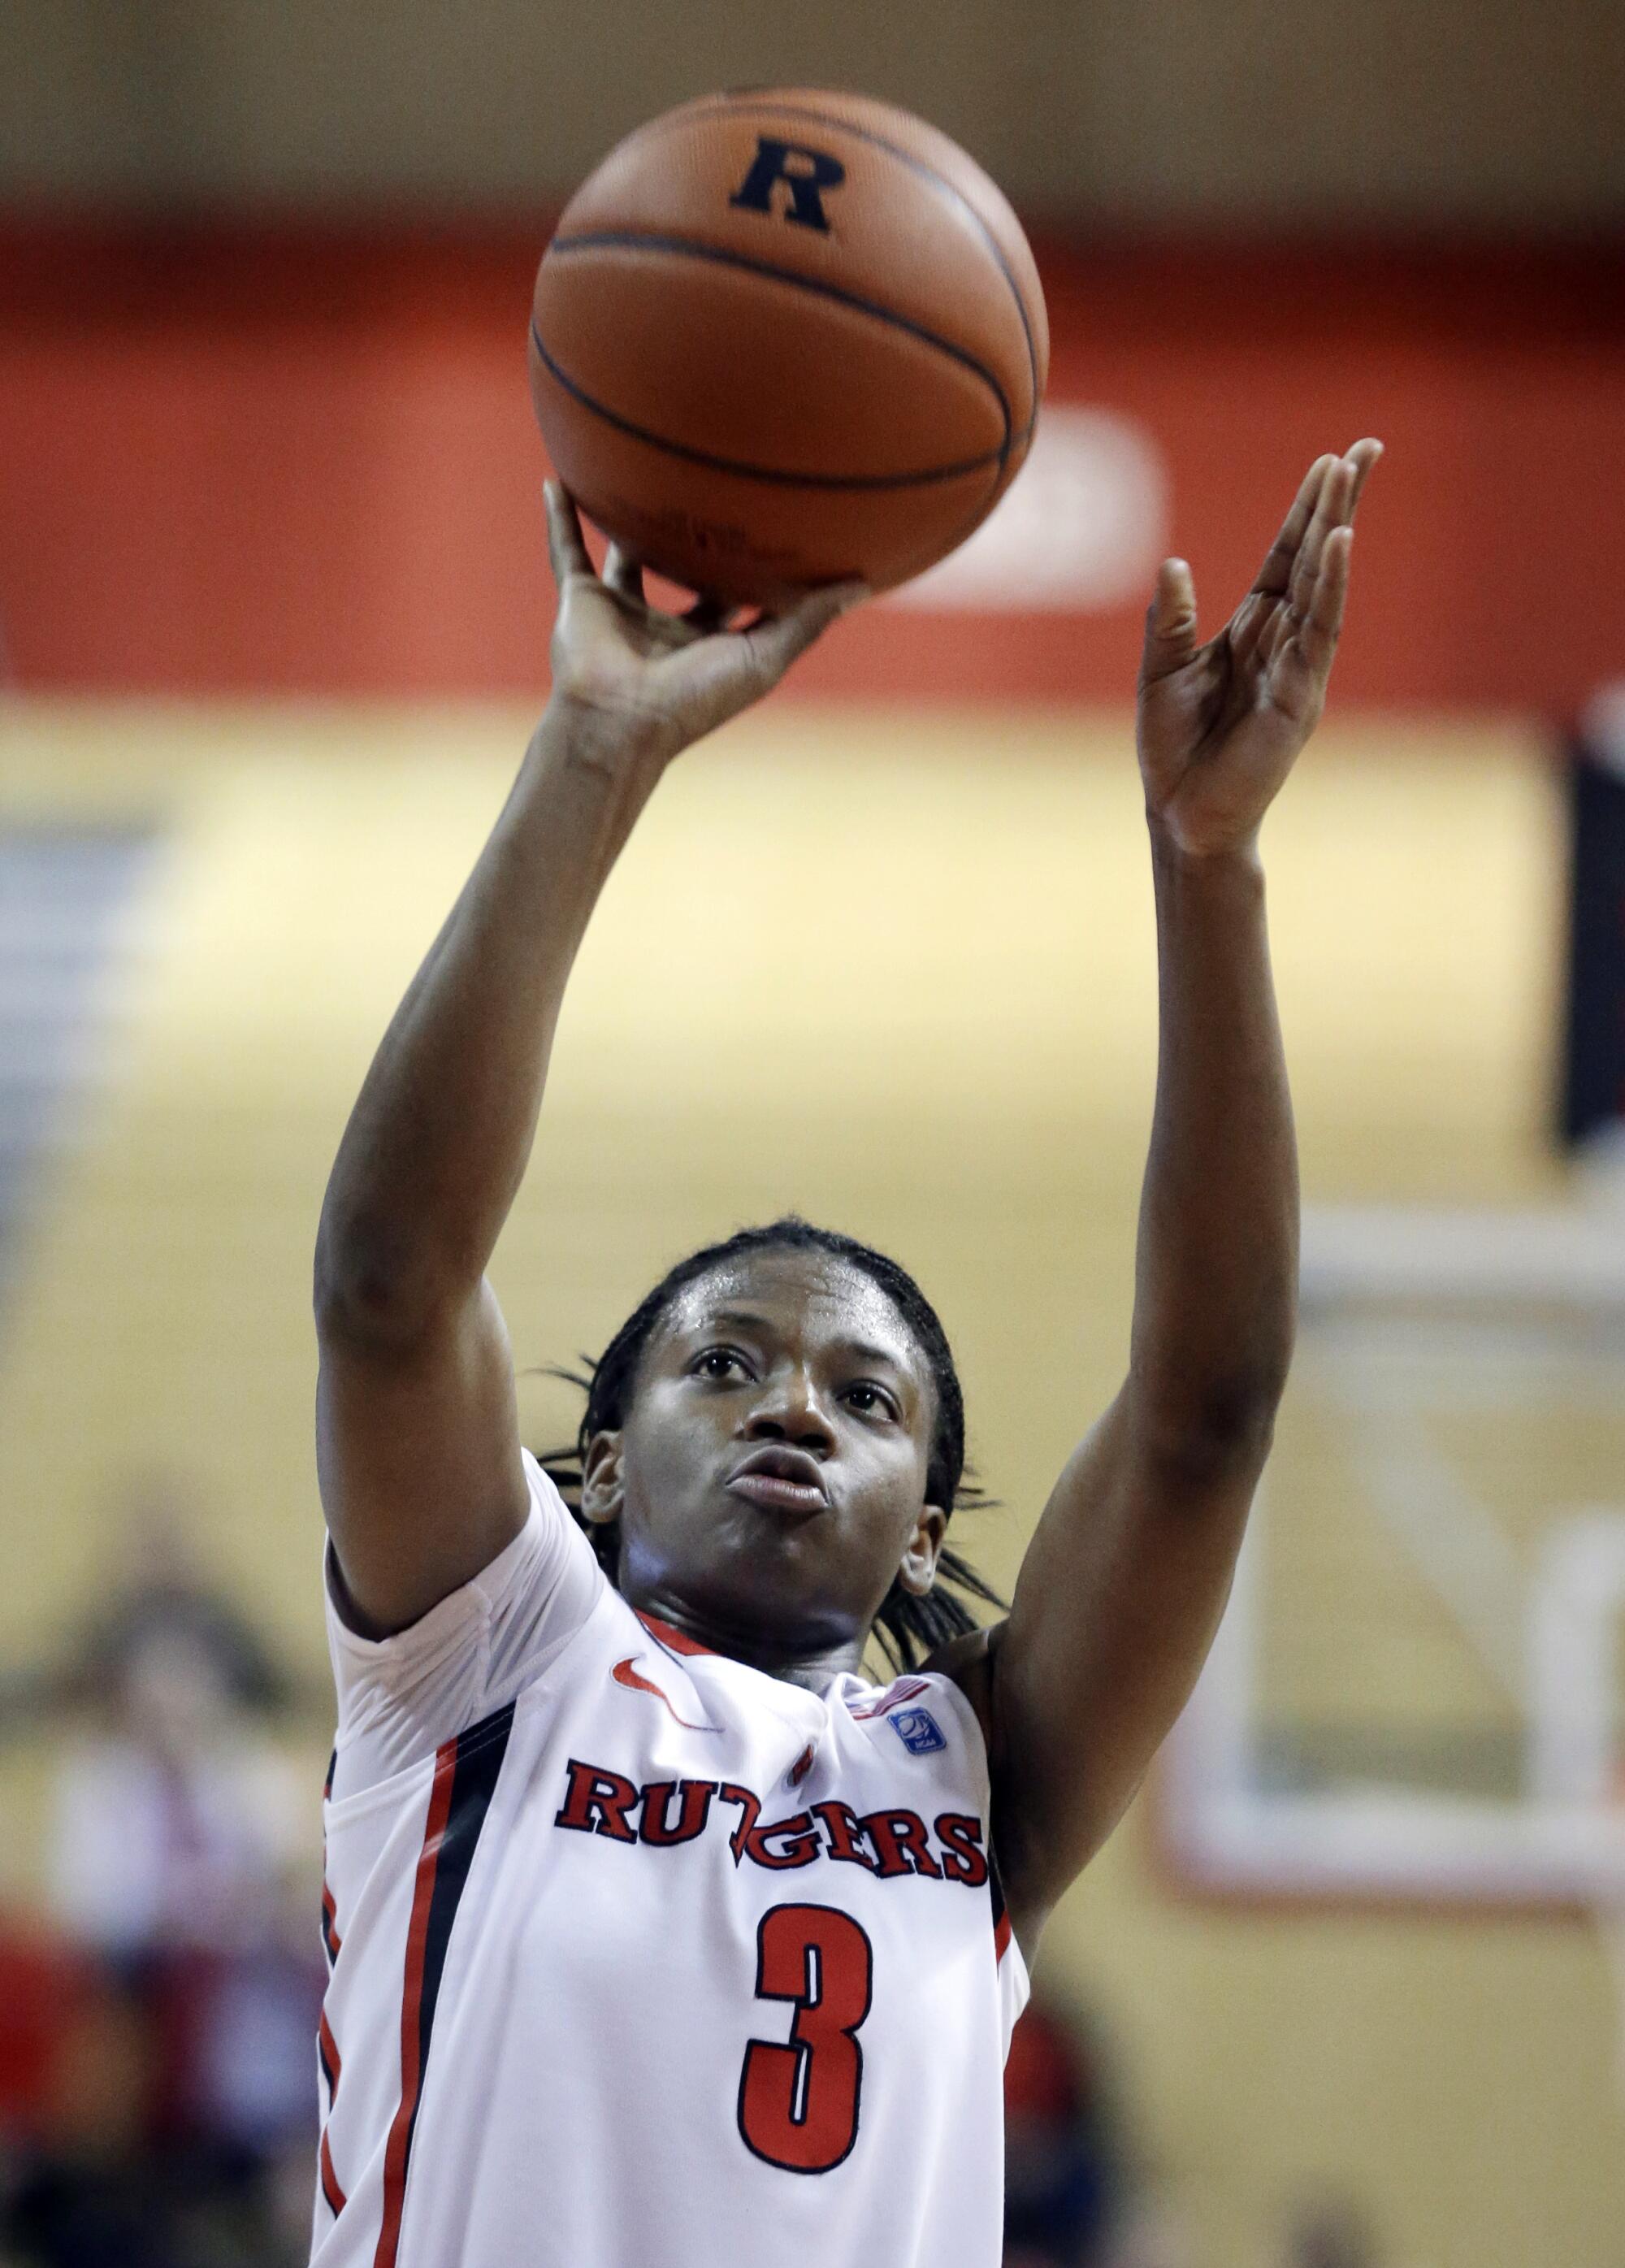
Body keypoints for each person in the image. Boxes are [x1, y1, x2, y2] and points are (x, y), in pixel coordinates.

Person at [310, 442, 1380, 2268]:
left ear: (917, 1530)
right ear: (600, 1463)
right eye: (721, 1364)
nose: (793, 1399)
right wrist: (597, 742)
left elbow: (1205, 1418)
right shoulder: (495, 1663)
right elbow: (392, 1286)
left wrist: (1208, 860)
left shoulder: (970, 1773)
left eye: (867, 1398)